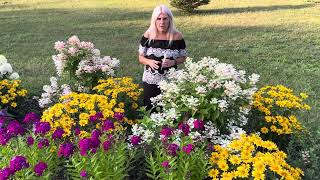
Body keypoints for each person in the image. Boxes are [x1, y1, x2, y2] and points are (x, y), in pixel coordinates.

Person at [138, 4, 187, 111]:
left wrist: (173, 62)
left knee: (170, 109)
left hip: (170, 80)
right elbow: (140, 58)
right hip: (151, 80)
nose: (162, 22)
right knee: (150, 109)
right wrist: (149, 62)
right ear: (154, 20)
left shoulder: (177, 36)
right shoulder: (148, 35)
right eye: (158, 19)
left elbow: (183, 57)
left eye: (165, 18)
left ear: (170, 19)